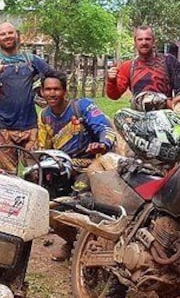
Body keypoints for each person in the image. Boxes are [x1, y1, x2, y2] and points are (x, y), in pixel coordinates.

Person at [36, 70, 117, 261]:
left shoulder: (83, 107)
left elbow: (104, 128)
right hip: (61, 167)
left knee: (80, 200)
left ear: (65, 91)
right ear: (41, 92)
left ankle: (92, 245)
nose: (52, 93)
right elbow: (44, 147)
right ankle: (72, 243)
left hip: (89, 165)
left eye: (56, 89)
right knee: (49, 204)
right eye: (48, 89)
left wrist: (102, 144)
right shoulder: (44, 115)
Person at [0, 22, 54, 172]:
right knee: (7, 177)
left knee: (36, 173)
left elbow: (54, 76)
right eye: (3, 34)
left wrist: (41, 91)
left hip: (30, 129)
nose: (7, 36)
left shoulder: (31, 60)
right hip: (4, 130)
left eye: (10, 33)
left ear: (17, 35)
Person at [106, 25, 180, 104]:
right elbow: (114, 96)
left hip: (165, 114)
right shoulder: (128, 66)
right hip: (138, 115)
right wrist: (111, 80)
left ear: (153, 41)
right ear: (135, 42)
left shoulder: (169, 61)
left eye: (147, 39)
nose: (144, 42)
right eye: (140, 39)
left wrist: (175, 106)